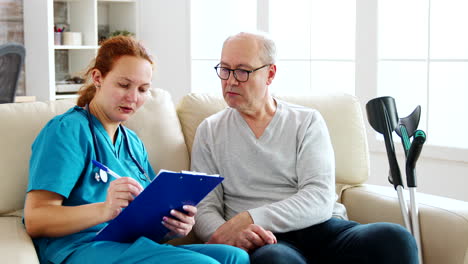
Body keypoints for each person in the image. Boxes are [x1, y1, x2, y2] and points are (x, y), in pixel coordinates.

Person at [191, 32, 419, 264]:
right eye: (225, 69)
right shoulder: (209, 131)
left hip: (323, 229)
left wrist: (250, 218)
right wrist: (231, 235)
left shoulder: (306, 121)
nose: (230, 80)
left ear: (270, 74)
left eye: (242, 71)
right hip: (269, 241)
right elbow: (203, 208)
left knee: (396, 238)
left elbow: (319, 198)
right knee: (275, 260)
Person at [23, 36, 249, 264]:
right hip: (80, 248)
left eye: (142, 89)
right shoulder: (67, 130)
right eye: (124, 85)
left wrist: (176, 226)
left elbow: (147, 217)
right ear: (98, 78)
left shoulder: (132, 142)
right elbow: (36, 219)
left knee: (234, 256)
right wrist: (104, 210)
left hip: (129, 247)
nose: (132, 98)